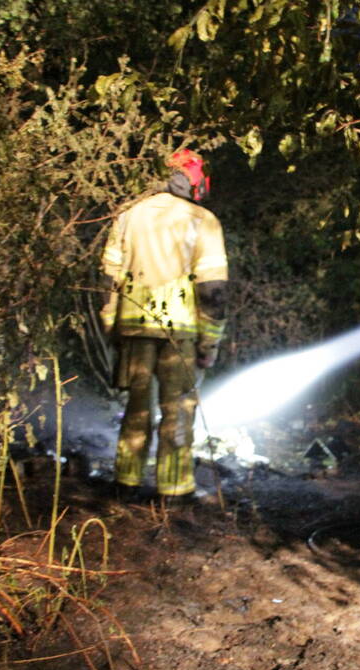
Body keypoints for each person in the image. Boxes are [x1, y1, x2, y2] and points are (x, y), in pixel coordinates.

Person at [99, 149, 228, 503]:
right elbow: (213, 290)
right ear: (194, 179)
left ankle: (125, 484)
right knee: (178, 411)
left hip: (133, 327)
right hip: (179, 333)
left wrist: (111, 325)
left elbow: (109, 276)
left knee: (136, 409)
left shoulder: (128, 215)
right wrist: (209, 345)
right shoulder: (203, 220)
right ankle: (173, 491)